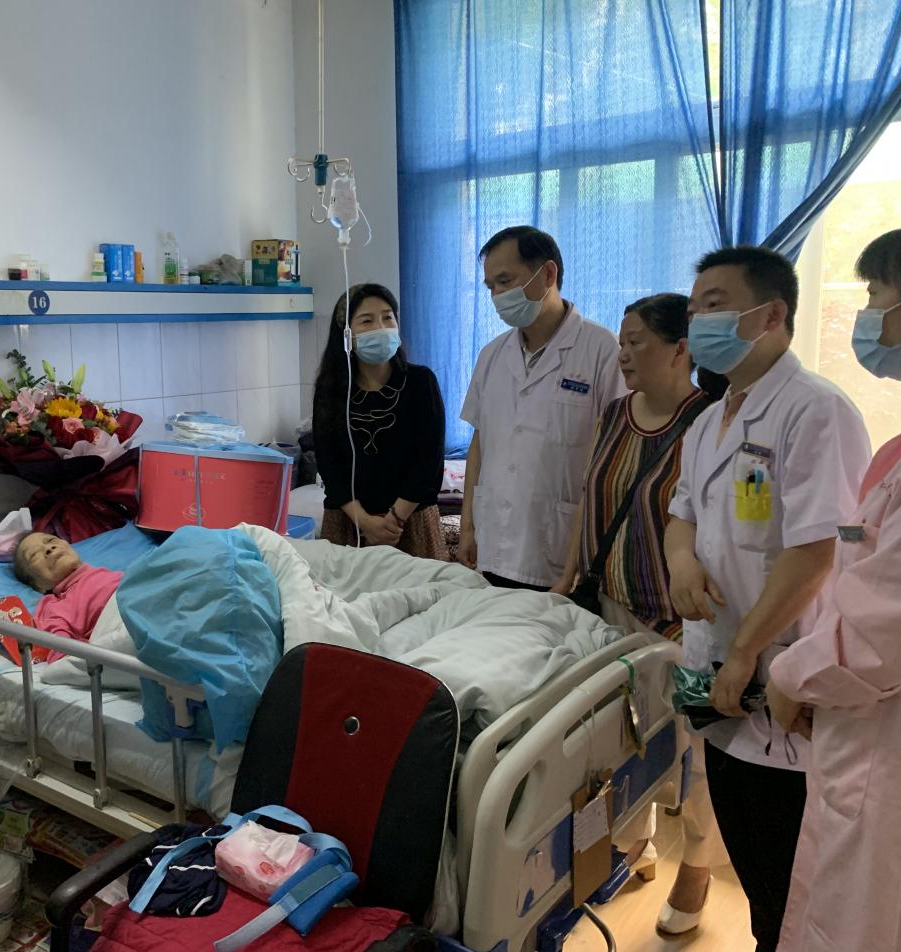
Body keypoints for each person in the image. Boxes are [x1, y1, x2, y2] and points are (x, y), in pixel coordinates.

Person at [663, 246, 871, 952]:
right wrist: (681, 561)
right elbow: (681, 514)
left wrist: (747, 650)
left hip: (776, 673)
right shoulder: (708, 420)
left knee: (787, 878)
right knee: (751, 857)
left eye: (715, 305)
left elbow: (815, 550)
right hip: (716, 670)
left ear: (771, 313)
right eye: (694, 308)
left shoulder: (815, 410)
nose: (698, 321)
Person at [765, 208, 901, 952]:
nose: (867, 315)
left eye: (877, 294)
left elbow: (889, 623)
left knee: (880, 923)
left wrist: (791, 673)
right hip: (877, 719)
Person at [551, 292, 728, 935]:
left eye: (636, 343)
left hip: (683, 628)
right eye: (621, 342)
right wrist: (569, 574)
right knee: (626, 739)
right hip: (608, 608)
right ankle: (638, 844)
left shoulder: (709, 423)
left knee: (698, 752)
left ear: (681, 349)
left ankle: (697, 870)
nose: (622, 354)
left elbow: (716, 525)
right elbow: (590, 497)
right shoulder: (615, 414)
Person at [459, 226, 626, 589]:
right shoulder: (491, 355)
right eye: (490, 287)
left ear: (548, 274)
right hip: (493, 541)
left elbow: (615, 456)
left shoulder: (601, 350)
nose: (498, 295)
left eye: (505, 281)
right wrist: (467, 527)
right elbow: (479, 445)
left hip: (559, 549)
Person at [312, 283, 448, 559]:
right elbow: (329, 464)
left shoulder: (420, 382)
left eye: (388, 318)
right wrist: (364, 522)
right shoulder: (331, 390)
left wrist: (393, 521)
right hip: (349, 523)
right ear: (346, 334)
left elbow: (429, 462)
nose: (381, 327)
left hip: (410, 523)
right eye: (367, 321)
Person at [14, 531, 123, 661]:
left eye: (51, 540)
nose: (48, 548)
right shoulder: (55, 606)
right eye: (34, 555)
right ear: (37, 584)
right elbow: (62, 655)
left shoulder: (111, 574)